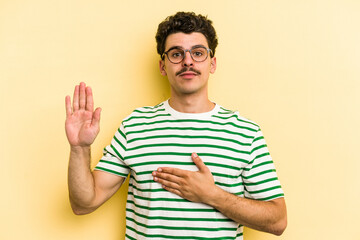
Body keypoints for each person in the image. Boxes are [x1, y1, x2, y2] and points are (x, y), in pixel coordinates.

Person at [65, 12, 287, 239]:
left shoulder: (245, 133)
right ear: (162, 66)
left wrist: (212, 195)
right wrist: (79, 149)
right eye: (176, 54)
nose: (187, 61)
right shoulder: (135, 126)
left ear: (212, 63)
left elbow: (278, 221)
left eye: (198, 53)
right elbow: (84, 203)